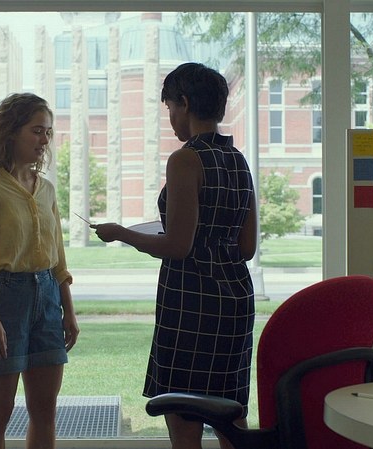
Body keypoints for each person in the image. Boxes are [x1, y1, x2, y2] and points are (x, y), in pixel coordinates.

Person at [92, 62, 258, 449]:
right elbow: (246, 247)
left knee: (184, 418)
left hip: (191, 302)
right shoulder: (238, 160)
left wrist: (121, 233)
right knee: (231, 415)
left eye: (169, 107)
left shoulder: (185, 160)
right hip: (236, 302)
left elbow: (178, 246)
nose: (170, 118)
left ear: (184, 103)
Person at [0, 92, 79, 449]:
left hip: (48, 298)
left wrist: (69, 311)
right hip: (2, 301)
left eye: (48, 132)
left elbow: (58, 259)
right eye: (36, 131)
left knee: (45, 409)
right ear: (11, 132)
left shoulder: (47, 190)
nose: (44, 140)